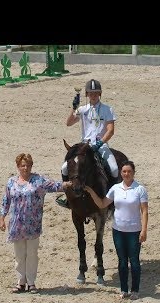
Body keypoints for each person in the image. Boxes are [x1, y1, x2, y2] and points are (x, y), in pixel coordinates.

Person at [0, 153, 72, 294]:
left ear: (31, 166)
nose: (25, 168)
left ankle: (31, 283)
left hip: (33, 225)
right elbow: (6, 201)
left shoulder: (39, 180)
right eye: (22, 165)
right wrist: (2, 217)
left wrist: (69, 184)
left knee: (32, 254)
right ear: (18, 166)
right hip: (16, 225)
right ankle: (20, 282)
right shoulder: (11, 182)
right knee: (19, 255)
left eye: (28, 165)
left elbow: (55, 186)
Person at [84, 160, 148, 300]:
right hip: (118, 230)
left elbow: (144, 211)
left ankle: (135, 290)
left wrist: (144, 230)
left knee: (134, 261)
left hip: (134, 230)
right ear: (121, 173)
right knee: (122, 261)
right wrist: (90, 191)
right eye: (124, 172)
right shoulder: (115, 188)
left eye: (129, 171)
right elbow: (102, 203)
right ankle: (124, 290)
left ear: (133, 173)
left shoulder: (140, 189)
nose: (126, 174)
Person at [56, 79, 119, 208]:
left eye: (95, 93)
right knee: (64, 168)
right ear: (87, 94)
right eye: (91, 93)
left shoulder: (107, 109)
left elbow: (110, 130)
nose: (93, 95)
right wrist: (73, 108)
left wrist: (100, 143)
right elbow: (68, 123)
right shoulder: (82, 109)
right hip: (84, 145)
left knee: (114, 169)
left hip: (100, 144)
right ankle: (68, 197)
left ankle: (111, 198)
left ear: (100, 93)